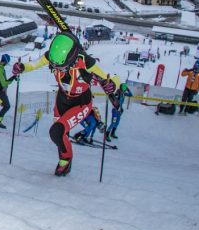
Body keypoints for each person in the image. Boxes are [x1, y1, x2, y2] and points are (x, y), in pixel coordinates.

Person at [14, 32, 121, 176]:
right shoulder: (53, 57)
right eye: (54, 66)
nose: (57, 69)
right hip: (62, 100)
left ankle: (66, 159)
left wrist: (113, 85)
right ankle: (63, 159)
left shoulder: (86, 61)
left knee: (56, 131)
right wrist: (22, 67)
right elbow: (34, 64)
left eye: (62, 67)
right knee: (60, 135)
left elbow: (113, 76)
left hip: (80, 102)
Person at [0, 53, 18, 129]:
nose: (6, 64)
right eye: (7, 63)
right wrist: (12, 78)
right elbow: (4, 82)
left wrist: (12, 78)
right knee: (7, 106)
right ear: (5, 61)